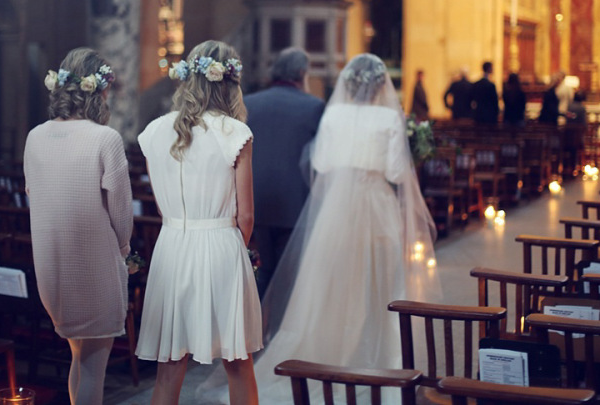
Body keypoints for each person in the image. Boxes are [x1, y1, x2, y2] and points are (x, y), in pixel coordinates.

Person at [241, 54, 441, 404]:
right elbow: (396, 173)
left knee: (332, 285)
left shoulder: (333, 113)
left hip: (336, 209)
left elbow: (320, 163)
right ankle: (378, 359)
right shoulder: (389, 117)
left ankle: (327, 358)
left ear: (348, 83)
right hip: (376, 206)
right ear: (382, 85)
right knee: (378, 286)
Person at [136, 41, 262, 405]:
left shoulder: (154, 131)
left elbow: (162, 206)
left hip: (172, 244)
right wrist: (237, 246)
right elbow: (247, 215)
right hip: (222, 243)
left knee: (170, 365)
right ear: (230, 82)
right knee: (238, 361)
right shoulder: (234, 133)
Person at [24, 47, 133, 405]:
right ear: (99, 89)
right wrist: (122, 252)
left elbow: (34, 197)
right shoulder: (105, 138)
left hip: (53, 265)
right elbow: (121, 214)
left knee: (78, 357)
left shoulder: (35, 136)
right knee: (94, 366)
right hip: (93, 264)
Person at [244, 47, 325, 297]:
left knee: (265, 269)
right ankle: (281, 332)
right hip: (295, 202)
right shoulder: (314, 106)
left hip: (256, 200)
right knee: (291, 275)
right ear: (302, 73)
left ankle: (257, 331)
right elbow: (320, 158)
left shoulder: (249, 103)